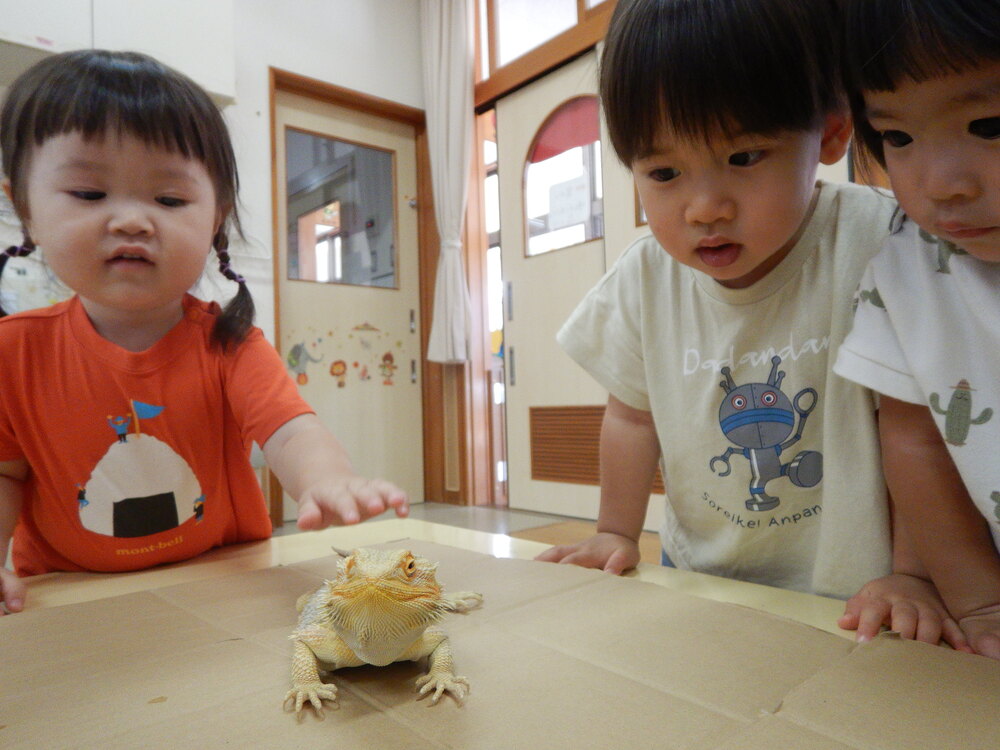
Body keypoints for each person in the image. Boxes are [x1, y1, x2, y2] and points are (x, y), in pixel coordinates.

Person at [536, 0, 941, 626]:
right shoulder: (647, 274)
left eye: (743, 158)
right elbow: (631, 419)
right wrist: (615, 532)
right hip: (699, 580)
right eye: (664, 172)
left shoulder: (879, 242)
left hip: (857, 595)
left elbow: (917, 432)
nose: (704, 208)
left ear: (831, 134)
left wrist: (913, 573)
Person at [0, 50, 408, 615]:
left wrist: (330, 479)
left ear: (214, 218)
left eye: (169, 200)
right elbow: (6, 474)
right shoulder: (13, 352)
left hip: (224, 576)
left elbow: (291, 432)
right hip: (72, 592)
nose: (132, 220)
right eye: (90, 194)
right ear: (24, 208)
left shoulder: (231, 343)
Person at [833, 0, 1000, 658]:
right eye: (898, 137)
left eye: (988, 123)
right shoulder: (908, 267)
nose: (941, 184)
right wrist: (981, 600)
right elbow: (915, 441)